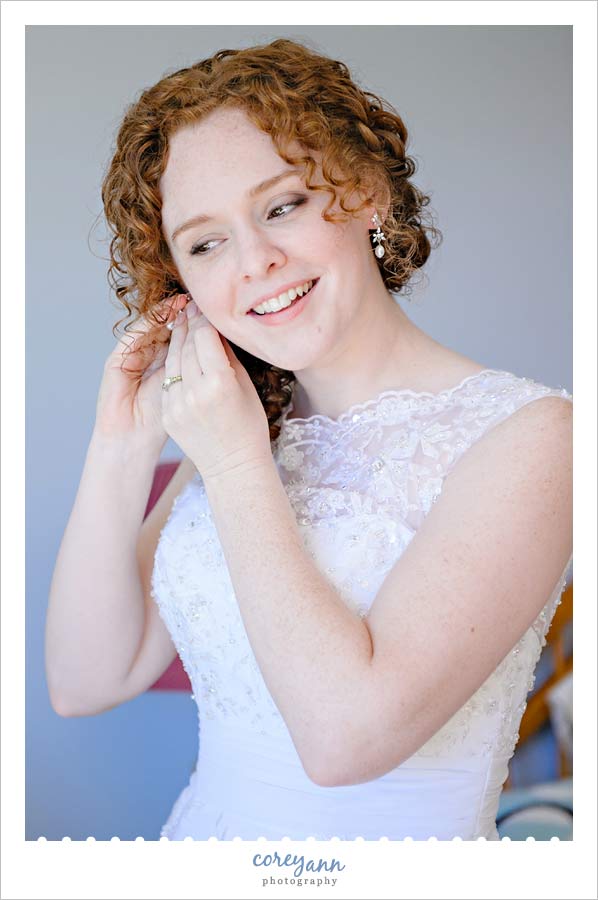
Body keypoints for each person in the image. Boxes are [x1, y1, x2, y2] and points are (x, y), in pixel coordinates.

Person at [45, 38, 573, 841]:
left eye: (282, 205)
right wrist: (119, 445)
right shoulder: (248, 439)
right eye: (205, 242)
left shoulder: (535, 440)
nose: (255, 262)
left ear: (364, 194)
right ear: (181, 284)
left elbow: (344, 740)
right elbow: (86, 680)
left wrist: (230, 460)